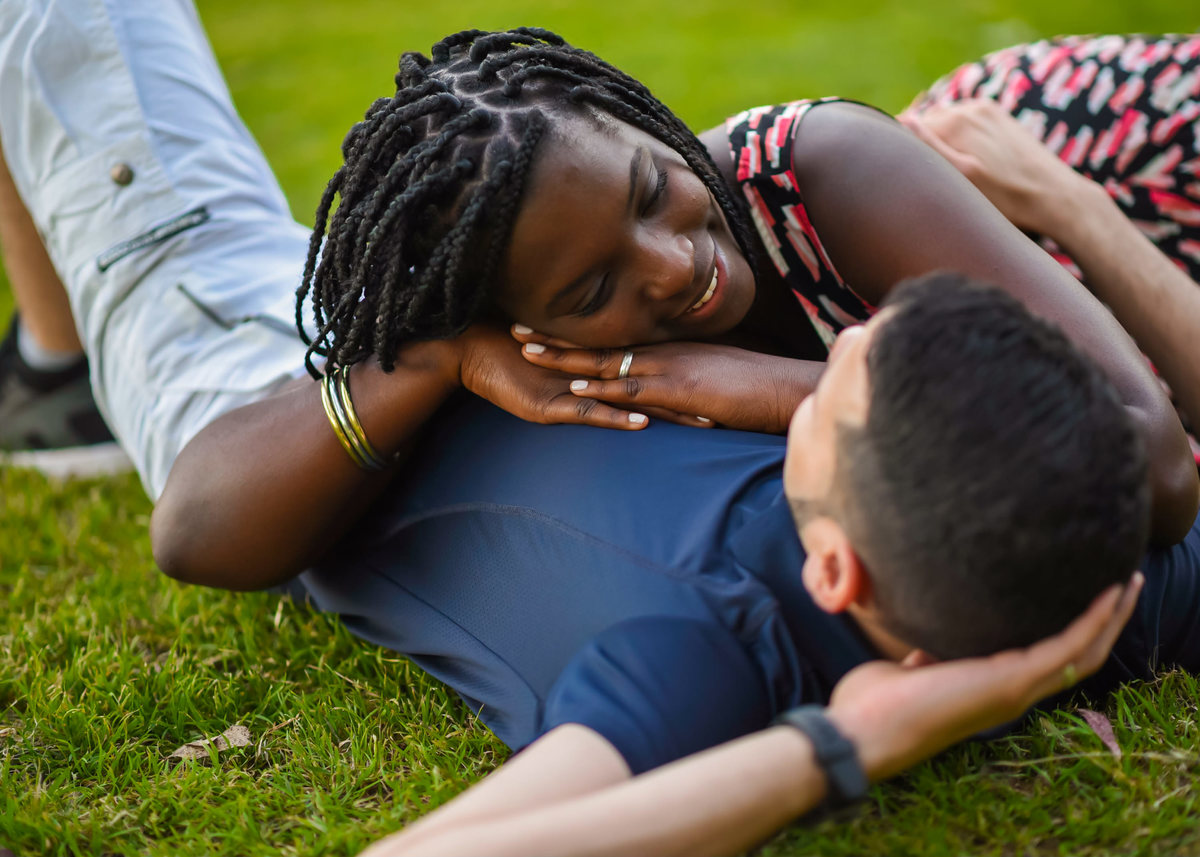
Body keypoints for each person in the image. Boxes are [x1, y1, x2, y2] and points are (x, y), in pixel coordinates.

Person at [1, 5, 1199, 852]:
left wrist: (848, 742)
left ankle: (59, 370)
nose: (681, 267)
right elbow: (1150, 460)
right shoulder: (1104, 576)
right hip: (390, 349)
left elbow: (198, 527)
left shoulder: (721, 631)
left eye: (842, 377)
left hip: (272, 391)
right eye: (589, 289)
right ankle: (57, 366)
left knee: (73, 41)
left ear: (834, 561)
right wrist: (442, 347)